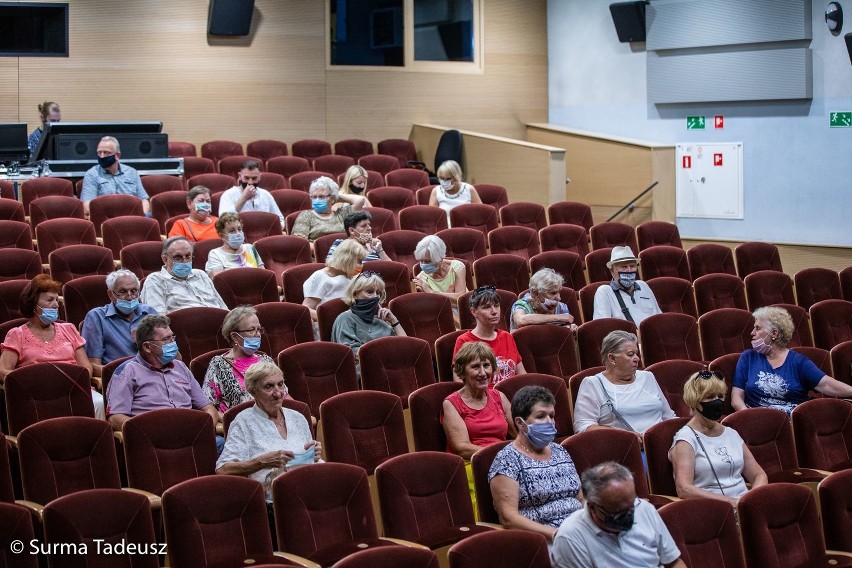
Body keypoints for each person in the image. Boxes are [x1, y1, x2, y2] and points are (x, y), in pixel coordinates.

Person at [216, 360, 322, 503]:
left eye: (280, 384)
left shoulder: (298, 417)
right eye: (269, 387)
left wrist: (314, 455)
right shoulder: (243, 422)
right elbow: (223, 470)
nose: (278, 393)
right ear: (254, 391)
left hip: (308, 489)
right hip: (273, 500)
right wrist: (262, 462)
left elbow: (309, 461)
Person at [489, 386, 583, 545]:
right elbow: (509, 518)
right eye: (541, 416)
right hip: (542, 539)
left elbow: (581, 499)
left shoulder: (560, 451)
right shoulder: (507, 460)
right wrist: (556, 534)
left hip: (579, 532)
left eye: (551, 416)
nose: (549, 422)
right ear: (520, 422)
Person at [0, 275, 103, 419]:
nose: (56, 304)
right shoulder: (16, 334)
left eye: (56, 299)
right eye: (49, 300)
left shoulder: (69, 329)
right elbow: (3, 371)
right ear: (33, 304)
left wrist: (66, 384)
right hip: (37, 394)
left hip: (71, 390)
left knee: (98, 402)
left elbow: (86, 368)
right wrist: (33, 382)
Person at [551, 462, 685, 568]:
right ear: (592, 507)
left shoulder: (643, 509)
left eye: (631, 506)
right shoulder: (570, 538)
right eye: (619, 511)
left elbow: (674, 562)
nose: (630, 515)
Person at [105, 315, 219, 434]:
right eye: (166, 340)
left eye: (172, 337)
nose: (173, 343)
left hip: (191, 436)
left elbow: (208, 407)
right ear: (147, 347)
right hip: (154, 441)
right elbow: (115, 418)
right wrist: (151, 432)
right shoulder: (127, 372)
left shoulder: (181, 367)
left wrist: (204, 428)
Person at [670, 370, 768, 507]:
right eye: (710, 397)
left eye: (720, 396)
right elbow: (684, 489)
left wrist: (751, 501)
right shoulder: (686, 440)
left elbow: (759, 475)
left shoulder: (731, 433)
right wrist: (731, 502)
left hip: (745, 506)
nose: (717, 401)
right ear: (695, 400)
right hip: (713, 510)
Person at [732, 306, 852, 414]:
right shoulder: (748, 357)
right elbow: (736, 398)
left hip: (792, 425)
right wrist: (750, 417)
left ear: (774, 333)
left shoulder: (798, 362)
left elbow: (826, 384)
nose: (752, 333)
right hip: (757, 422)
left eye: (757, 328)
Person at [573, 331, 675, 441]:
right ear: (612, 358)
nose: (637, 358)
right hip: (624, 450)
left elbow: (668, 417)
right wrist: (621, 435)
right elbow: (582, 427)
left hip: (662, 443)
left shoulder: (648, 377)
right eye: (630, 354)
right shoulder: (593, 383)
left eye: (636, 354)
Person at [443, 342, 516, 460]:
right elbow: (461, 448)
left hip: (502, 461)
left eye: (486, 365)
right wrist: (502, 454)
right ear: (462, 372)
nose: (483, 373)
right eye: (476, 367)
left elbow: (520, 432)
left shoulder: (499, 397)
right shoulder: (451, 403)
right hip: (472, 463)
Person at [203, 305, 281, 414]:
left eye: (259, 329)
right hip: (238, 425)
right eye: (251, 330)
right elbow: (209, 406)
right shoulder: (219, 364)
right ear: (235, 336)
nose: (257, 334)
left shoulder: (265, 360)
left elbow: (283, 394)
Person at [81, 269, 157, 377]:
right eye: (123, 292)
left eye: (134, 291)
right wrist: (130, 376)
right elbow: (93, 366)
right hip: (122, 379)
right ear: (110, 295)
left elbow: (174, 356)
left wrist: (148, 342)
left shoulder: (149, 312)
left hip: (155, 374)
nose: (130, 297)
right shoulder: (96, 317)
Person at [331, 272, 406, 377]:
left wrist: (394, 321)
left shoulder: (380, 320)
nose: (375, 297)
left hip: (391, 369)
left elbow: (406, 346)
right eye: (370, 292)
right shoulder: (345, 319)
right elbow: (354, 354)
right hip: (366, 374)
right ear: (355, 293)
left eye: (378, 293)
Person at [453, 285, 525, 385]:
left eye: (496, 305)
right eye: (487, 307)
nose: (494, 311)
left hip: (512, 395)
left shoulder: (507, 336)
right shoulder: (464, 340)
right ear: (474, 312)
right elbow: (459, 381)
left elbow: (522, 375)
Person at [140, 236, 228, 314]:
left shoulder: (201, 274)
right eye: (178, 257)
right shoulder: (155, 281)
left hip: (217, 326)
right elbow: (158, 320)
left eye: (188, 256)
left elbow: (223, 308)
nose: (185, 261)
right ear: (165, 259)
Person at [80, 136, 150, 216]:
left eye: (106, 152)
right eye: (99, 152)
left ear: (117, 156)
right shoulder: (92, 174)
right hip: (106, 219)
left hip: (132, 218)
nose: (102, 156)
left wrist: (141, 216)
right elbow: (87, 207)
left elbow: (144, 200)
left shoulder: (132, 173)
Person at [302, 238, 367, 323]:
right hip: (328, 326)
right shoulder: (320, 277)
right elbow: (306, 310)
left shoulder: (351, 276)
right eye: (359, 261)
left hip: (351, 323)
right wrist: (335, 320)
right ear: (347, 260)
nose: (361, 265)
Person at [592, 246, 661, 326]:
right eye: (624, 267)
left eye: (632, 266)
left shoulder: (643, 285)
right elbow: (603, 327)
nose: (629, 270)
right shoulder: (604, 292)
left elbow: (659, 315)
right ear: (612, 272)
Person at [291, 176, 366, 242]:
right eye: (314, 197)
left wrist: (337, 196)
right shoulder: (306, 216)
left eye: (321, 197)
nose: (317, 200)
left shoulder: (341, 214)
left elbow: (360, 200)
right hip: (319, 256)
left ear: (333, 199)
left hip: (345, 254)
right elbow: (300, 244)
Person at [218, 160, 285, 228]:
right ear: (240, 176)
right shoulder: (228, 195)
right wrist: (244, 198)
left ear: (259, 177)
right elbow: (223, 222)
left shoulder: (266, 194)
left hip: (265, 233)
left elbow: (280, 220)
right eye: (246, 178)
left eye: (254, 178)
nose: (250, 182)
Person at [511, 268, 578, 333]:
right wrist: (557, 318)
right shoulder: (522, 304)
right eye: (553, 293)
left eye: (559, 292)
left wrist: (570, 328)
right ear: (536, 293)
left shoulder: (561, 307)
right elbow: (521, 320)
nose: (559, 298)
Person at [205, 212, 265, 277]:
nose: (237, 233)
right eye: (232, 231)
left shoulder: (250, 248)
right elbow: (219, 282)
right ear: (221, 235)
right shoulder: (215, 254)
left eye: (239, 229)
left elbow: (264, 274)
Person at [412, 235, 467, 302]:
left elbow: (461, 298)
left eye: (427, 261)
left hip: (463, 307)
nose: (423, 265)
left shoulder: (457, 267)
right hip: (442, 309)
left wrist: (431, 292)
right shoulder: (421, 279)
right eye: (421, 260)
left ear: (439, 259)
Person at [428, 160, 482, 224]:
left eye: (447, 179)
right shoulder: (436, 191)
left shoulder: (469, 189)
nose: (443, 182)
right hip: (444, 228)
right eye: (441, 178)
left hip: (467, 227)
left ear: (456, 177)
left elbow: (480, 213)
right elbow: (432, 217)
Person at [324, 210, 390, 262]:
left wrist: (380, 250)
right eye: (364, 226)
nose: (369, 228)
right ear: (352, 231)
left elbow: (392, 270)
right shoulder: (340, 244)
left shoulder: (374, 246)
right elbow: (330, 266)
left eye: (369, 225)